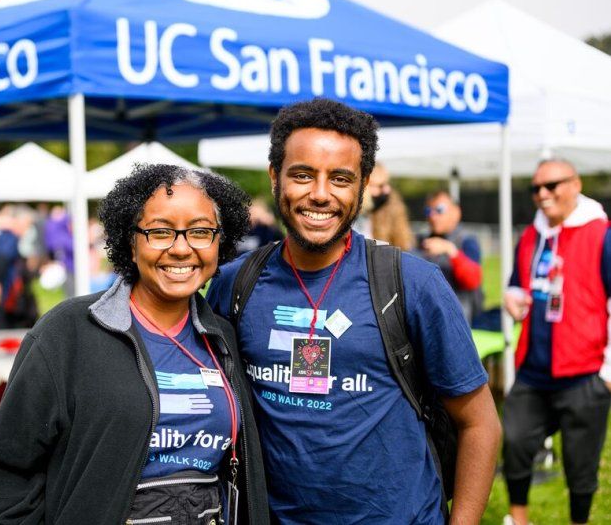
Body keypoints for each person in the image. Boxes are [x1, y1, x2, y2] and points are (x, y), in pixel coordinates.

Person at [207, 98, 500, 524]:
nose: (320, 194)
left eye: (340, 178)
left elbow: (479, 422)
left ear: (362, 186)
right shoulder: (236, 283)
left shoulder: (412, 284)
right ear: (275, 178)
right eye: (302, 175)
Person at [0, 164, 269, 524]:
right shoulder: (67, 333)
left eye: (200, 231)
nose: (181, 248)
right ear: (130, 241)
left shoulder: (222, 337)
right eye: (160, 232)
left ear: (219, 241)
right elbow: (3, 473)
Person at [502, 159, 611, 525]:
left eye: (552, 186)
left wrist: (608, 372)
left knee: (582, 467)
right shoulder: (531, 236)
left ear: (576, 184)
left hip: (584, 374)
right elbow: (518, 283)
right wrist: (512, 298)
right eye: (535, 189)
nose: (542, 195)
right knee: (514, 443)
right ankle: (519, 519)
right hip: (534, 371)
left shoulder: (601, 233)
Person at [419, 190, 484, 323]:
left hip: (461, 322)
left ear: (456, 212)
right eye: (428, 211)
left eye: (439, 210)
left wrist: (451, 251)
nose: (433, 216)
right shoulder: (420, 241)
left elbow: (472, 280)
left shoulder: (467, 241)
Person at [356, 162, 415, 250]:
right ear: (365, 185)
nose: (387, 190)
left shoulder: (388, 208)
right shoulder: (354, 220)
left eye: (387, 184)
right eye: (380, 185)